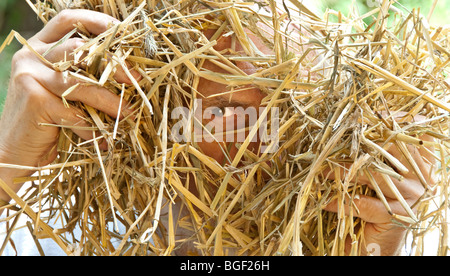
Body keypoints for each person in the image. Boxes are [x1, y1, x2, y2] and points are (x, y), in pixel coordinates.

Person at [0, 8, 436, 256]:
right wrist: (5, 177)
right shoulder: (44, 234)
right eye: (224, 107)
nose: (268, 133)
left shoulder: (403, 225)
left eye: (295, 98)